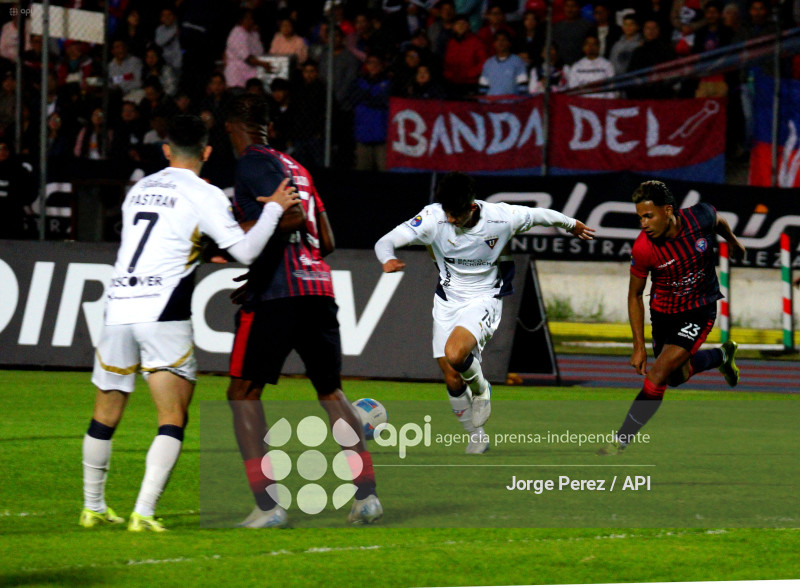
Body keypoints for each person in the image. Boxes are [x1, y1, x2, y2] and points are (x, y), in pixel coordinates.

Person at [80, 115, 300, 532]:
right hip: (162, 310)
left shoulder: (139, 189)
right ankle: (142, 512)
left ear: (166, 150)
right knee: (172, 416)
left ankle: (92, 506)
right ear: (207, 152)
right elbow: (247, 251)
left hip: (117, 306)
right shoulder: (205, 193)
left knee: (105, 412)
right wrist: (273, 209)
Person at [224, 94, 382, 528]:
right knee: (331, 393)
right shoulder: (298, 167)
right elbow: (325, 239)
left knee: (242, 394)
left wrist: (251, 258)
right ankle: (366, 497)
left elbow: (289, 218)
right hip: (318, 287)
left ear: (229, 126)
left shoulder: (251, 164)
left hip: (280, 294)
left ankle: (268, 504)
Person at [374, 172, 595, 453]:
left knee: (456, 354)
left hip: (484, 298)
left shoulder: (501, 218)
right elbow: (385, 241)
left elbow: (541, 215)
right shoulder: (432, 217)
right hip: (447, 300)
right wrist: (388, 258)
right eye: (448, 213)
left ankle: (481, 390)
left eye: (456, 214)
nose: (451, 220)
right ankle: (475, 435)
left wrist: (571, 224)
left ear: (472, 207)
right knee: (451, 376)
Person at [597, 181, 745, 456]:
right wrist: (638, 346)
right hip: (664, 315)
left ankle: (620, 441)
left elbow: (719, 221)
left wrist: (733, 242)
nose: (643, 223)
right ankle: (722, 356)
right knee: (677, 377)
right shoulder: (643, 249)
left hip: (700, 309)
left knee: (658, 374)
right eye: (639, 217)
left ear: (668, 211)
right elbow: (635, 295)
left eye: (648, 216)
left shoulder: (700, 217)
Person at [478, 30, 528, 96]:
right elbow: (483, 88)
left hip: (512, 103)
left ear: (509, 43)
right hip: (491, 103)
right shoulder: (488, 63)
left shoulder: (517, 61)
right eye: (498, 40)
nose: (500, 43)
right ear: (494, 44)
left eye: (504, 40)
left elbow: (523, 86)